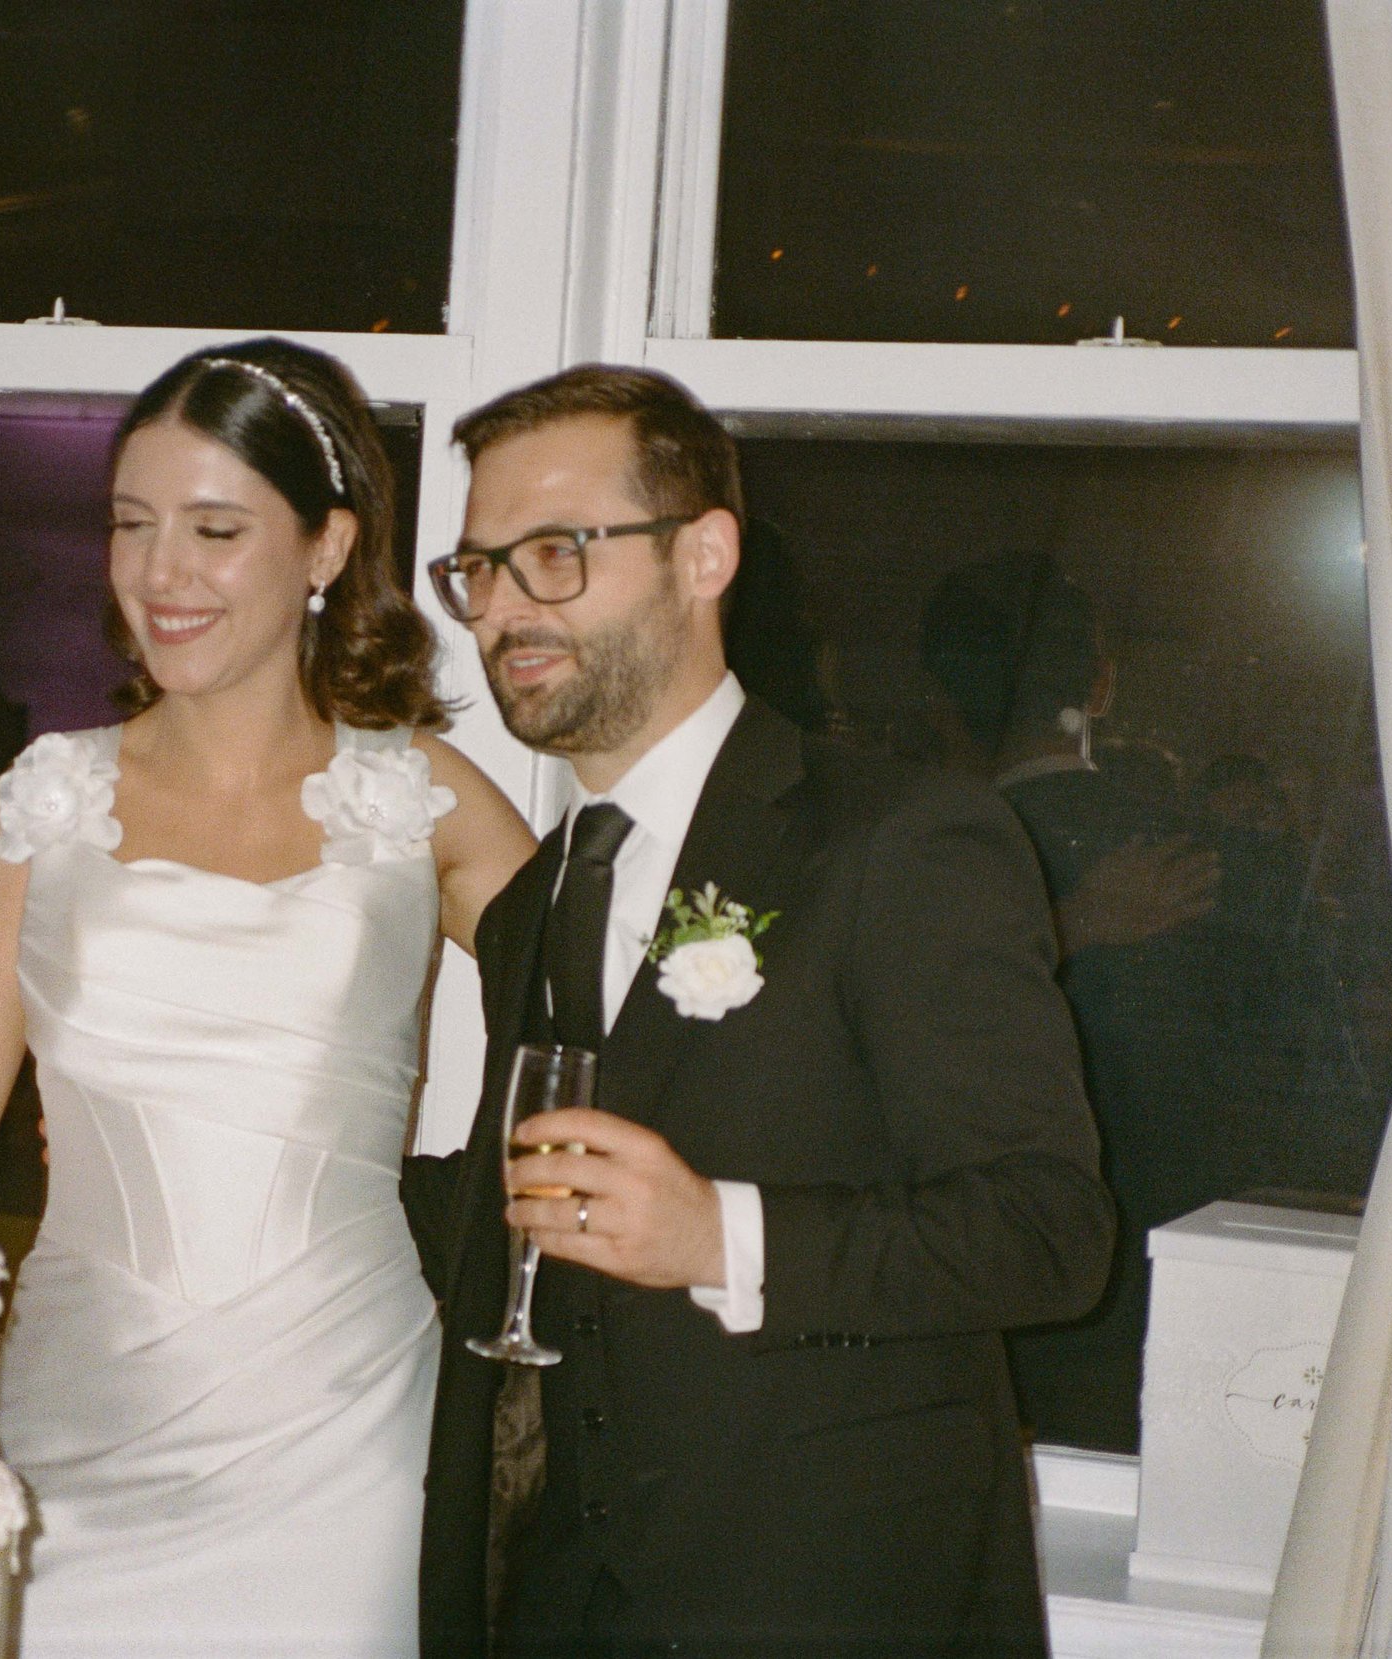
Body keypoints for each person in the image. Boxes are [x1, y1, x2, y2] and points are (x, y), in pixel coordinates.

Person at [0, 338, 534, 1657]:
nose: (161, 573)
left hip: (343, 1447)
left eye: (215, 529)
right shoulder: (43, 803)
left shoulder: (425, 798)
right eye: (132, 524)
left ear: (326, 547)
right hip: (79, 1435)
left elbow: (610, 1037)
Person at [403, 366, 1113, 1657]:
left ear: (705, 553)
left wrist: (720, 1234)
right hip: (565, 1598)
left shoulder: (900, 836)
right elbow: (525, 1222)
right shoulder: (536, 902)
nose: (504, 607)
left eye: (554, 554)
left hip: (829, 1593)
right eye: (479, 569)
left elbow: (1049, 1233)